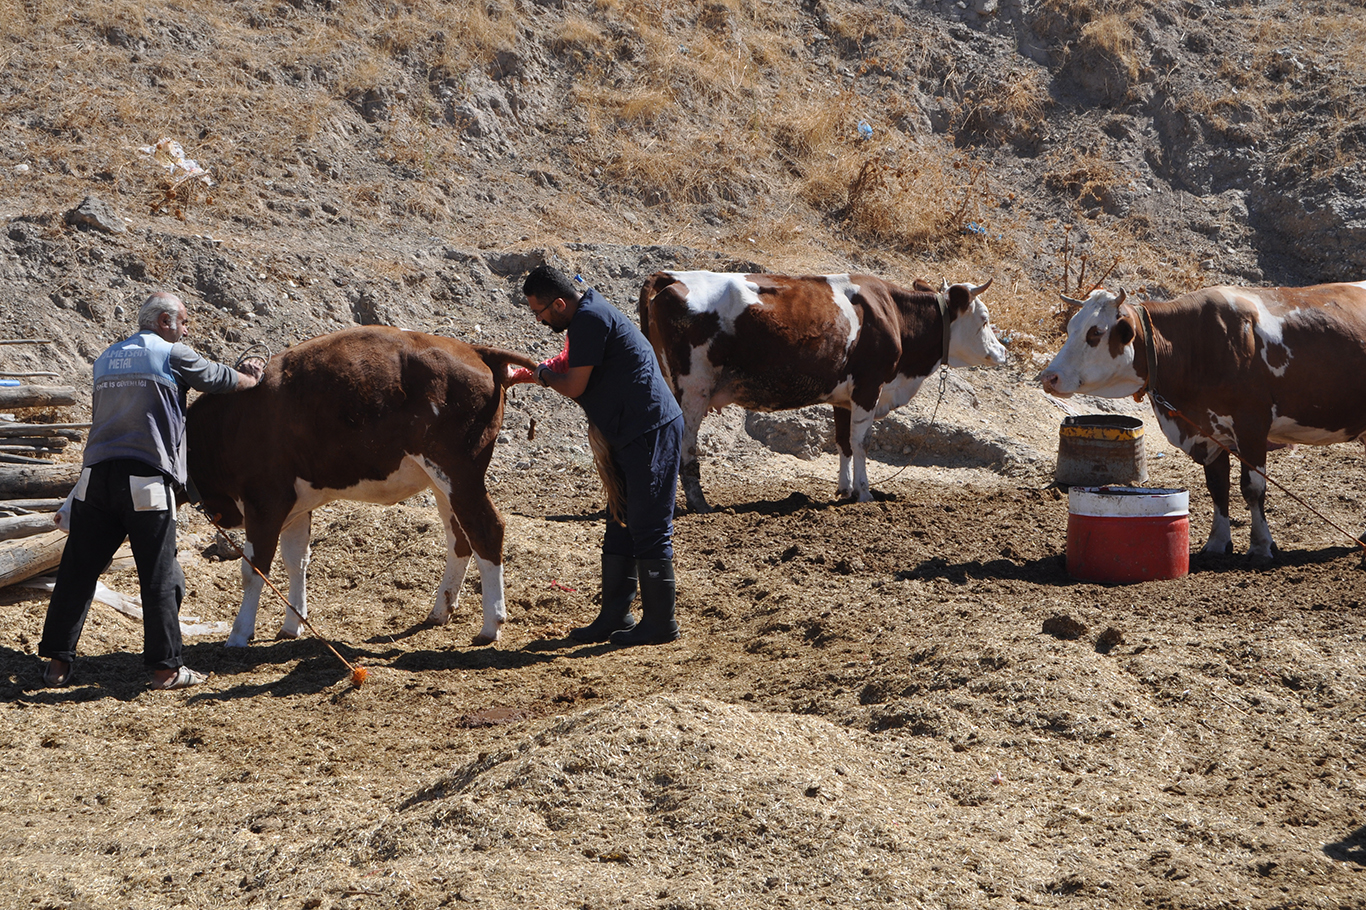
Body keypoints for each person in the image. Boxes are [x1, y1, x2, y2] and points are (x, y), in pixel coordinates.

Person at [39, 292, 262, 689]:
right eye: (184, 322)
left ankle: (56, 665)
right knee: (160, 575)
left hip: (94, 479)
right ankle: (166, 669)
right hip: (145, 478)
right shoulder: (169, 353)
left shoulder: (106, 357)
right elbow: (216, 378)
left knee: (77, 571)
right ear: (164, 322)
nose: (187, 329)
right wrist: (250, 375)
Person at [514, 264, 685, 646]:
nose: (539, 321)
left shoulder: (589, 319)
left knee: (648, 526)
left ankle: (661, 623)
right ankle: (615, 616)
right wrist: (535, 371)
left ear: (559, 304)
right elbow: (570, 362)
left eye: (539, 313)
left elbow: (574, 385)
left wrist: (539, 376)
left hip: (648, 430)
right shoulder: (588, 314)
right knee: (621, 519)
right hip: (630, 430)